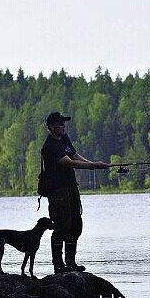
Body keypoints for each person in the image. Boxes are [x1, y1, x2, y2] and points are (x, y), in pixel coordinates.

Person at [42, 111, 109, 273]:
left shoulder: (64, 138)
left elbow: (74, 154)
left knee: (75, 225)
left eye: (64, 123)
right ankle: (58, 265)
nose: (63, 126)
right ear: (51, 127)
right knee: (61, 226)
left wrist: (92, 163)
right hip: (57, 190)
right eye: (60, 124)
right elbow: (69, 162)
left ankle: (70, 263)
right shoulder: (50, 146)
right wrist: (93, 166)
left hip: (71, 187)